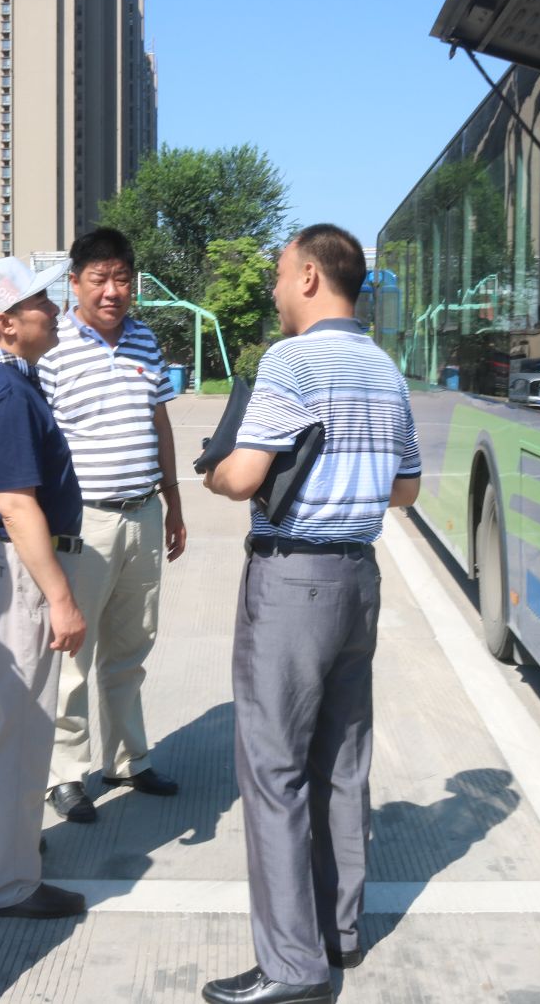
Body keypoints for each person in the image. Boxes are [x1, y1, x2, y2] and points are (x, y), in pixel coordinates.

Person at [200, 225, 421, 1004]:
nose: (272, 288)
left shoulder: (291, 361)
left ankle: (292, 966)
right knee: (343, 759)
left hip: (293, 579)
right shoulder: (386, 368)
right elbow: (405, 490)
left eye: (277, 273)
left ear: (307, 276)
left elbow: (243, 476)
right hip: (359, 577)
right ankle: (340, 930)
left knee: (274, 769)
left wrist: (216, 470)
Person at [0, 257, 89, 920]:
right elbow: (15, 503)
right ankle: (8, 883)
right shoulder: (6, 392)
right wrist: (60, 596)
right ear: (6, 322)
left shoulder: (1, 378)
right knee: (20, 730)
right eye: (42, 301)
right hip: (16, 570)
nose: (56, 309)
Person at [36, 227, 185, 824]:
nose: (112, 291)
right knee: (73, 653)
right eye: (99, 279)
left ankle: (127, 759)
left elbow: (159, 424)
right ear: (74, 283)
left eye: (122, 279)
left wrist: (173, 501)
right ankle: (65, 774)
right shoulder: (53, 347)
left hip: (143, 513)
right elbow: (41, 440)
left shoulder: (145, 339)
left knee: (131, 646)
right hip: (83, 522)